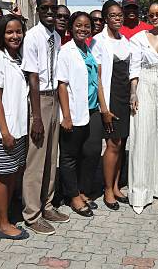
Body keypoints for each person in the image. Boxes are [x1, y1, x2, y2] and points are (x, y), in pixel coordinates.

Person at [20, 0, 69, 235]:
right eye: (45, 9)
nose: (50, 13)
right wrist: (37, 117)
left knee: (51, 156)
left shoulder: (56, 37)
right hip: (39, 100)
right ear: (38, 10)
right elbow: (33, 76)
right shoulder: (32, 37)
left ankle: (47, 204)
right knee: (36, 159)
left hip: (54, 99)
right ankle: (32, 213)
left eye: (53, 9)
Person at [57, 12, 109, 217]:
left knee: (92, 151)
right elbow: (62, 85)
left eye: (87, 26)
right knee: (70, 156)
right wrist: (67, 116)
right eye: (78, 25)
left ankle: (82, 189)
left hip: (92, 109)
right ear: (71, 28)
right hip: (75, 111)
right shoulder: (66, 51)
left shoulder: (88, 50)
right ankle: (73, 195)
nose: (83, 29)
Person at [0, 15, 30, 241]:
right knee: (3, 176)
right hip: (6, 130)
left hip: (20, 128)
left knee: (13, 173)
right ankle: (2, 224)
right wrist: (5, 132)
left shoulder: (20, 58)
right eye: (9, 32)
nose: (15, 36)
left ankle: (3, 218)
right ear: (1, 35)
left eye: (18, 32)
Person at [129, 2, 158, 214]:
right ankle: (139, 191)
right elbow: (134, 66)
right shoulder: (138, 38)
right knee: (142, 135)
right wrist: (133, 92)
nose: (154, 17)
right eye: (151, 14)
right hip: (145, 83)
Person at [90, 1, 132, 210]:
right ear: (106, 18)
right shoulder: (98, 41)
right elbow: (97, 78)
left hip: (124, 99)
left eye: (120, 15)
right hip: (110, 98)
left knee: (121, 144)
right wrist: (104, 109)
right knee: (112, 145)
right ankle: (107, 190)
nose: (118, 18)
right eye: (113, 15)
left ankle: (116, 186)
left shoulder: (126, 41)